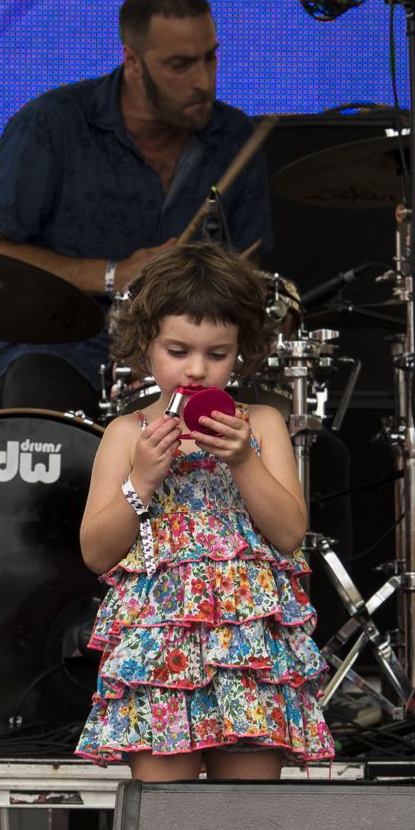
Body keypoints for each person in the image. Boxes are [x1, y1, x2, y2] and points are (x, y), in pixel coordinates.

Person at [74, 243, 334, 779]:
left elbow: (289, 533)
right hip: (159, 657)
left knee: (246, 815)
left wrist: (243, 460)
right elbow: (96, 552)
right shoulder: (126, 434)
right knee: (164, 814)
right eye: (177, 350)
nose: (196, 370)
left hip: (250, 653)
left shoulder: (261, 424)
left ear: (241, 349)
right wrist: (142, 479)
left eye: (218, 354)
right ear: (145, 343)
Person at [0, 0, 271, 414]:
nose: (203, 81)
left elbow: (250, 266)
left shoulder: (235, 136)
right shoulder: (53, 124)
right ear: (133, 62)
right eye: (180, 65)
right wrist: (112, 275)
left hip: (189, 356)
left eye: (210, 58)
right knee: (40, 403)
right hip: (63, 349)